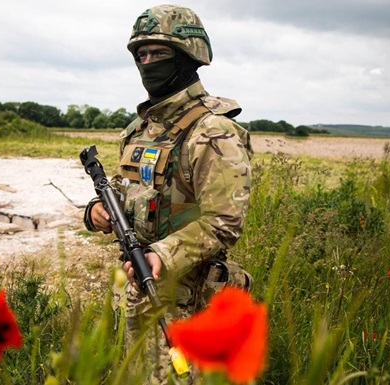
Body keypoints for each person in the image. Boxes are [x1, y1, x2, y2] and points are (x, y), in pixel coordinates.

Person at [83, 4, 253, 384]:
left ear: (188, 57)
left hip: (188, 298)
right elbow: (122, 187)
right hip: (137, 288)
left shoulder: (213, 132)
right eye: (140, 55)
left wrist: (162, 253)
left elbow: (224, 221)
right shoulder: (140, 129)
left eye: (158, 54)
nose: (147, 62)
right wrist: (97, 210)